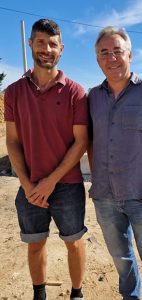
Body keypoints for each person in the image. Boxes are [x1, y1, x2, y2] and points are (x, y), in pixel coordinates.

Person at [88, 26, 142, 300]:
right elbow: (89, 141)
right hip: (104, 197)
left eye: (117, 51)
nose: (111, 58)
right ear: (98, 59)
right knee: (121, 259)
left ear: (130, 55)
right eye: (104, 52)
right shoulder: (92, 97)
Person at [4, 19, 88, 300]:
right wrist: (28, 185)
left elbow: (81, 142)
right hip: (30, 186)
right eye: (40, 42)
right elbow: (12, 141)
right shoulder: (14, 92)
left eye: (52, 44)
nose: (46, 49)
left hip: (68, 186)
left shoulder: (76, 92)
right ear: (30, 44)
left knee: (74, 243)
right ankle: (39, 294)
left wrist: (51, 182)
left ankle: (77, 293)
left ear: (61, 49)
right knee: (35, 244)